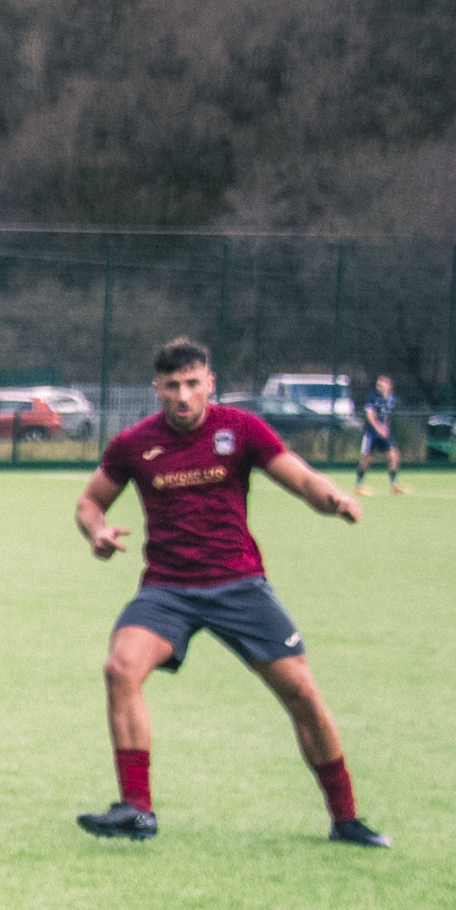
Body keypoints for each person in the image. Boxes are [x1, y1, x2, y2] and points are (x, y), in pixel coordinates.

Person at [71, 336, 389, 847]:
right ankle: (136, 808)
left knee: (303, 694)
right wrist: (98, 532)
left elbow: (302, 480)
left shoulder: (241, 430)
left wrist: (333, 499)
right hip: (168, 589)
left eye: (193, 384)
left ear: (210, 384)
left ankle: (346, 817)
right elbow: (89, 502)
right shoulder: (134, 444)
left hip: (239, 584)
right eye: (172, 386)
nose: (183, 396)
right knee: (120, 668)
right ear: (157, 389)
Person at [354, 375, 406, 495]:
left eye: (382, 384)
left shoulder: (392, 398)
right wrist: (379, 428)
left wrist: (386, 429)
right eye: (378, 385)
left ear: (389, 385)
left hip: (383, 433)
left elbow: (387, 415)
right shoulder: (372, 397)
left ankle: (394, 484)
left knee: (393, 454)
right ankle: (359, 485)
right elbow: (370, 415)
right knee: (367, 459)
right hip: (371, 433)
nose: (379, 387)